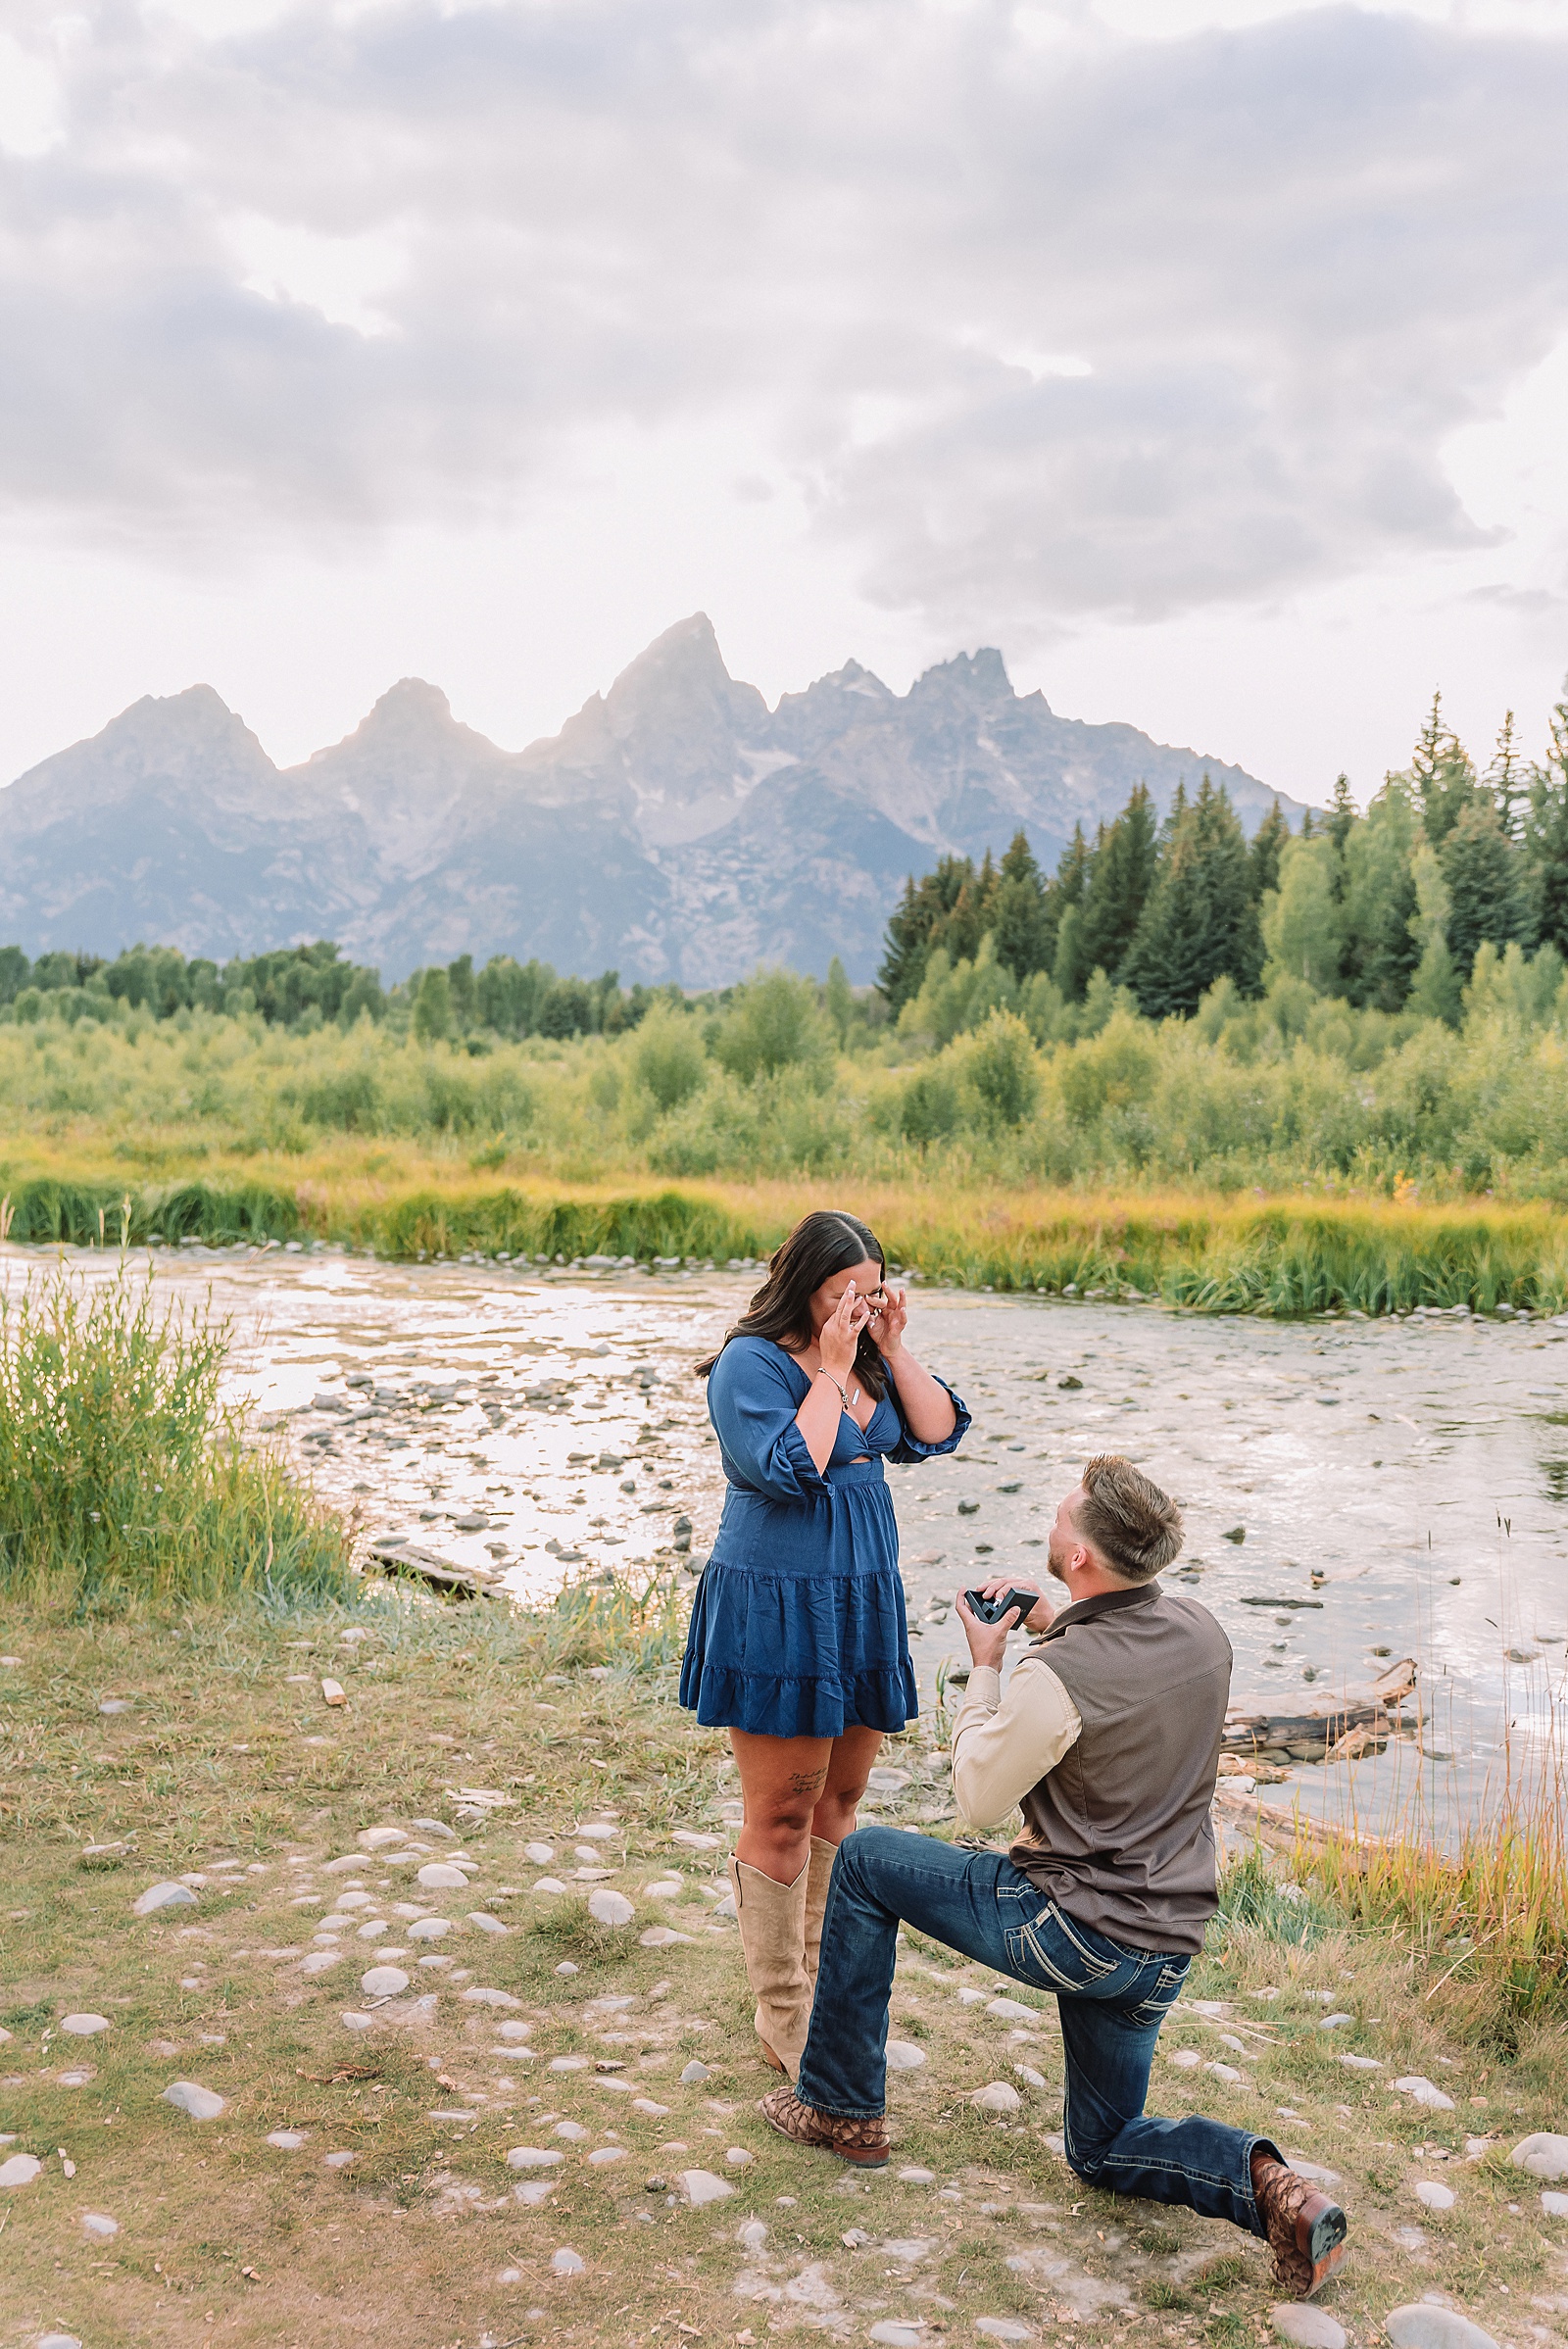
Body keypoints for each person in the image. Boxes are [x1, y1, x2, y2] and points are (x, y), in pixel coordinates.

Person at [759, 1453, 1350, 2303]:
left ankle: (841, 2106)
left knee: (862, 1861)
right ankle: (1276, 2189)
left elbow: (974, 1798)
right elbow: (1123, 1658)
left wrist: (989, 1662)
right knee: (1103, 2147)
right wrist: (1056, 1619)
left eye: (1062, 1516)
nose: (1053, 1520)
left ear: (1079, 1556)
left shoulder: (1051, 1677)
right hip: (1166, 1947)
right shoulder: (1202, 1631)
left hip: (1072, 1931)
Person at [680, 1208, 970, 2079]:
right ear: (803, 1284)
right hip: (778, 1603)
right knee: (781, 1811)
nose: (858, 1303)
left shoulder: (870, 1353)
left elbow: (935, 1428)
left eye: (871, 1289)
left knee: (839, 1808)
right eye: (844, 1291)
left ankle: (813, 1980)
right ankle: (781, 2008)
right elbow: (792, 1466)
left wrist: (892, 1342)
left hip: (859, 1600)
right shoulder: (751, 1364)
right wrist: (835, 1368)